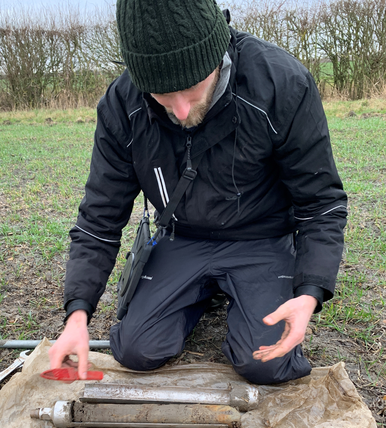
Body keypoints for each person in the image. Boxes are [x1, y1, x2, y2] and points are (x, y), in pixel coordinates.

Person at [49, 0, 347, 385]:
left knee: (266, 363)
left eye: (192, 88)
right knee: (134, 350)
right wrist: (78, 314)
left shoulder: (282, 83)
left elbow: (321, 204)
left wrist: (309, 292)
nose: (182, 111)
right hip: (182, 236)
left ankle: (240, 291)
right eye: (162, 95)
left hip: (262, 237)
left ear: (216, 55)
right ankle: (202, 293)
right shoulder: (122, 107)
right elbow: (98, 217)